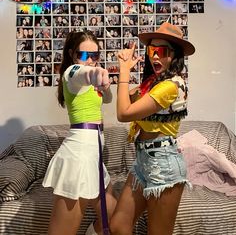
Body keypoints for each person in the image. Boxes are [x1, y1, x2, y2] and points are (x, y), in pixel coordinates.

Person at [110, 22, 195, 235]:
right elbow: (125, 99)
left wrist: (124, 71)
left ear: (175, 56)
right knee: (118, 226)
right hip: (143, 161)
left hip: (164, 164)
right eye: (152, 50)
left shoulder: (170, 86)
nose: (155, 56)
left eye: (162, 51)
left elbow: (124, 113)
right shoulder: (154, 82)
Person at [43, 30, 117, 235]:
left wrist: (105, 84)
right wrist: (96, 73)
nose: (91, 60)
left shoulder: (91, 81)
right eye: (85, 55)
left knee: (113, 217)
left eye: (95, 56)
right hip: (79, 157)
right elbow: (83, 72)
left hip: (93, 156)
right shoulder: (72, 73)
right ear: (73, 55)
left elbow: (108, 99)